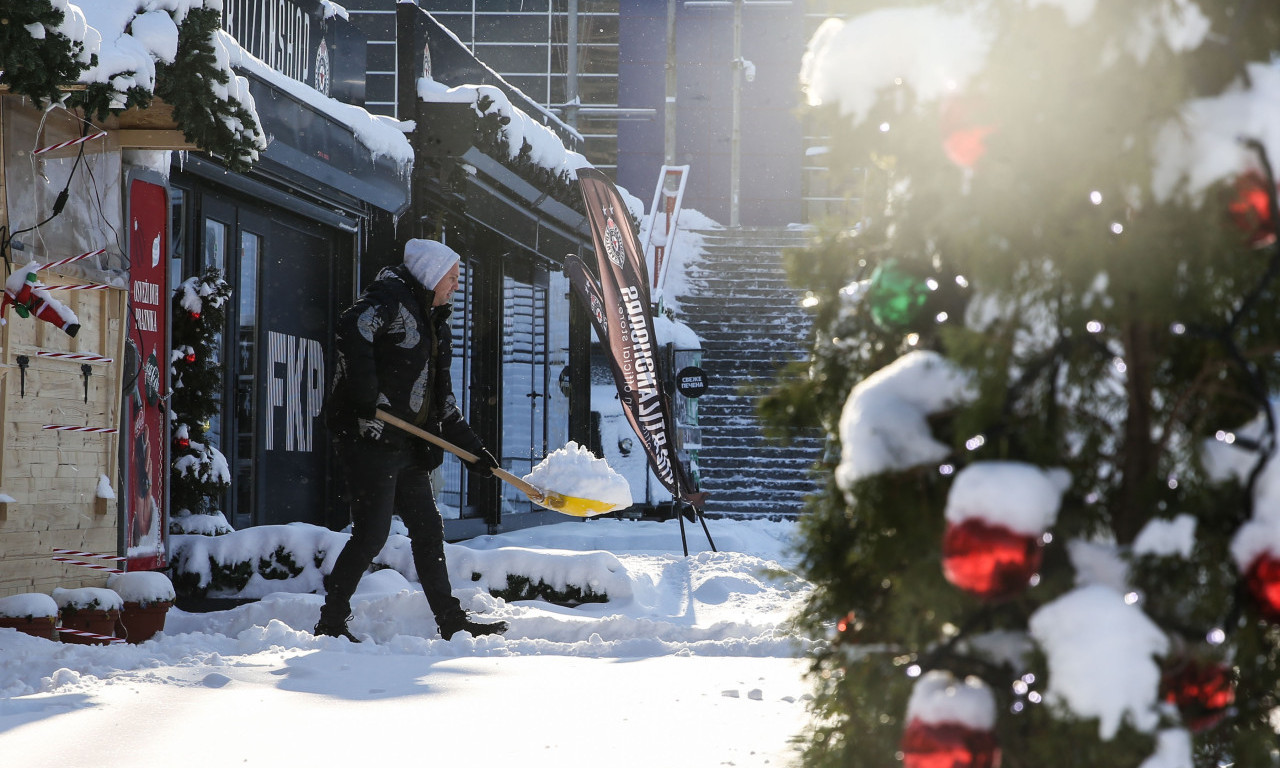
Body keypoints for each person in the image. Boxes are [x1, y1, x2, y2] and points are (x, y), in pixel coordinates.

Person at [318, 238, 507, 643]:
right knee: (372, 534)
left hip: (408, 443)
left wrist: (476, 452)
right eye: (452, 278)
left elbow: (443, 400)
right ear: (431, 274)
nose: (457, 285)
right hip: (370, 437)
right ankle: (331, 622)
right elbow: (352, 327)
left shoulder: (436, 323)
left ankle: (452, 623)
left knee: (428, 530)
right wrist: (365, 396)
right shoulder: (390, 296)